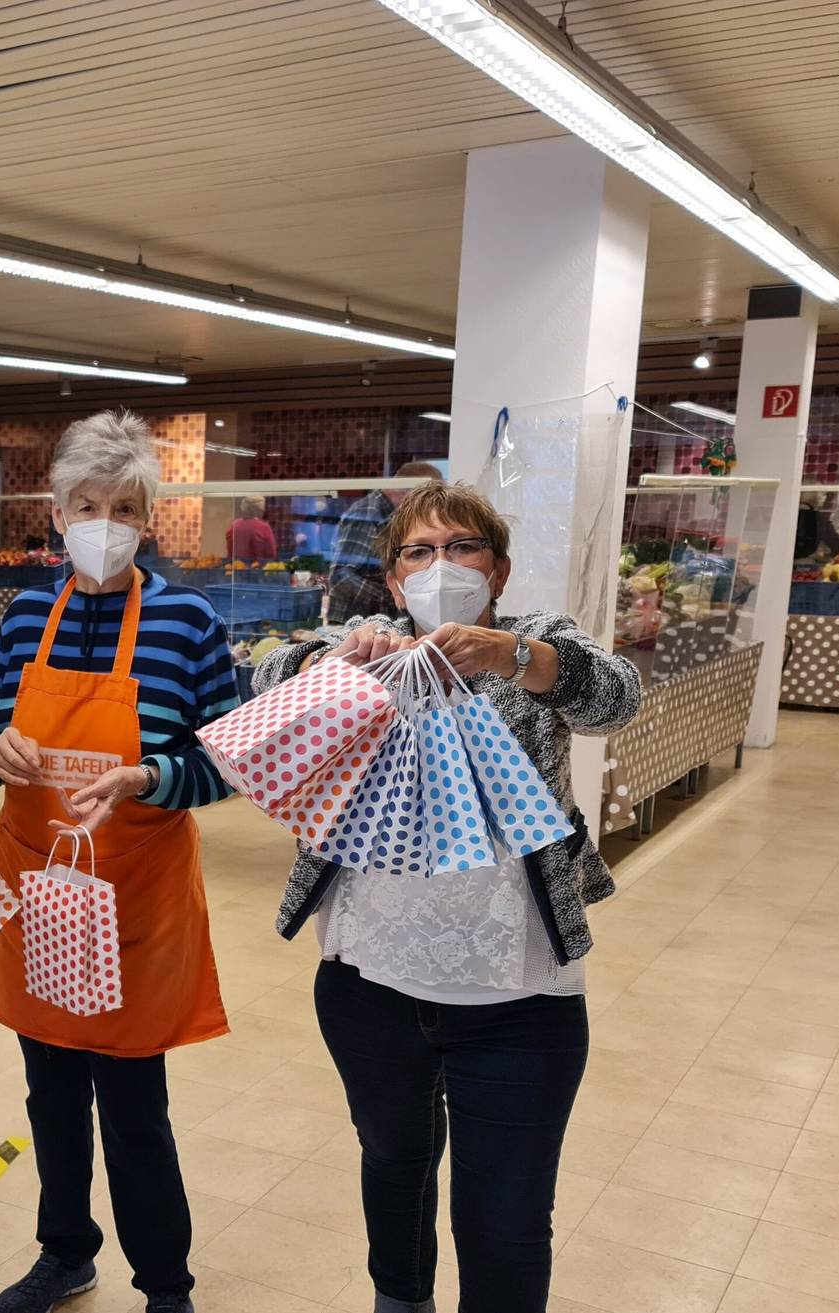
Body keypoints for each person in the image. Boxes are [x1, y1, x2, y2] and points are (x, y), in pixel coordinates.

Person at [250, 482, 641, 1313]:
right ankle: (402, 1300)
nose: (440, 566)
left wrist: (513, 658)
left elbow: (616, 695)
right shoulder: (371, 646)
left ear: (495, 569)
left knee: (505, 1221)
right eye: (418, 552)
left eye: (462, 548)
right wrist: (329, 664)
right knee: (393, 1167)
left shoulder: (534, 641)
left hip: (519, 995)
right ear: (394, 580)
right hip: (369, 985)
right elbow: (265, 673)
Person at [0, 411, 238, 1313]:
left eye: (124, 506)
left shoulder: (187, 624)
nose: (104, 521)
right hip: (37, 892)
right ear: (56, 512)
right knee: (49, 1096)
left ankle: (166, 1283)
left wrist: (151, 775)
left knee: (133, 1110)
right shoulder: (23, 621)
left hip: (135, 902)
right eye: (88, 503)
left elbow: (228, 761)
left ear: (148, 519)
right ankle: (66, 1251)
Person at [328, 461, 444, 622]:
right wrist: (394, 595)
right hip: (351, 625)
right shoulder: (368, 514)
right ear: (407, 492)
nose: (425, 509)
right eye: (425, 500)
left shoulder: (392, 515)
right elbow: (341, 577)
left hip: (375, 625)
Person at [794, 493, 839, 562]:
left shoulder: (787, 515)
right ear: (815, 502)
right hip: (805, 561)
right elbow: (837, 545)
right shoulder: (818, 518)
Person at [225, 495, 277, 561]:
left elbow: (230, 552)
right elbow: (271, 553)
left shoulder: (234, 524)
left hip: (237, 567)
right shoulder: (264, 527)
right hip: (258, 567)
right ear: (259, 510)